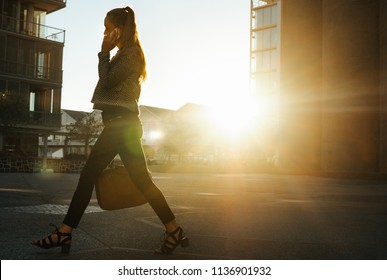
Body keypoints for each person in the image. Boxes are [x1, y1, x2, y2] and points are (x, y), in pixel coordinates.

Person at [32, 6, 188, 255]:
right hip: (121, 125)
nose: (104, 34)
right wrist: (106, 55)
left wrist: (102, 54)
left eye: (107, 28)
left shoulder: (130, 55)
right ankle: (174, 230)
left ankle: (65, 231)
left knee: (88, 177)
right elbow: (107, 84)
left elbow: (105, 82)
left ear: (119, 29)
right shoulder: (124, 54)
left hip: (120, 126)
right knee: (143, 182)